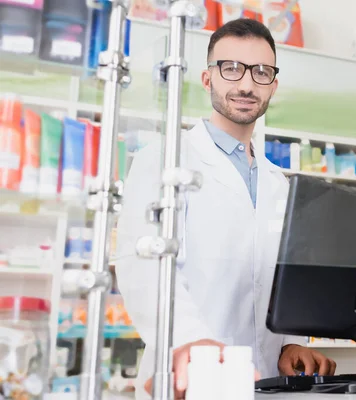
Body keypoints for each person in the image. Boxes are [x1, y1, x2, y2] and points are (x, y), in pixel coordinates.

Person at [115, 18, 336, 400]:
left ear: (273, 85)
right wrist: (191, 341)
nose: (247, 84)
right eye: (231, 69)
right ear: (208, 78)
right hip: (187, 376)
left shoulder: (278, 182)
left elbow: (277, 279)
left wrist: (291, 343)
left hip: (265, 381)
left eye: (261, 72)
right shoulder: (165, 159)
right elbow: (142, 263)